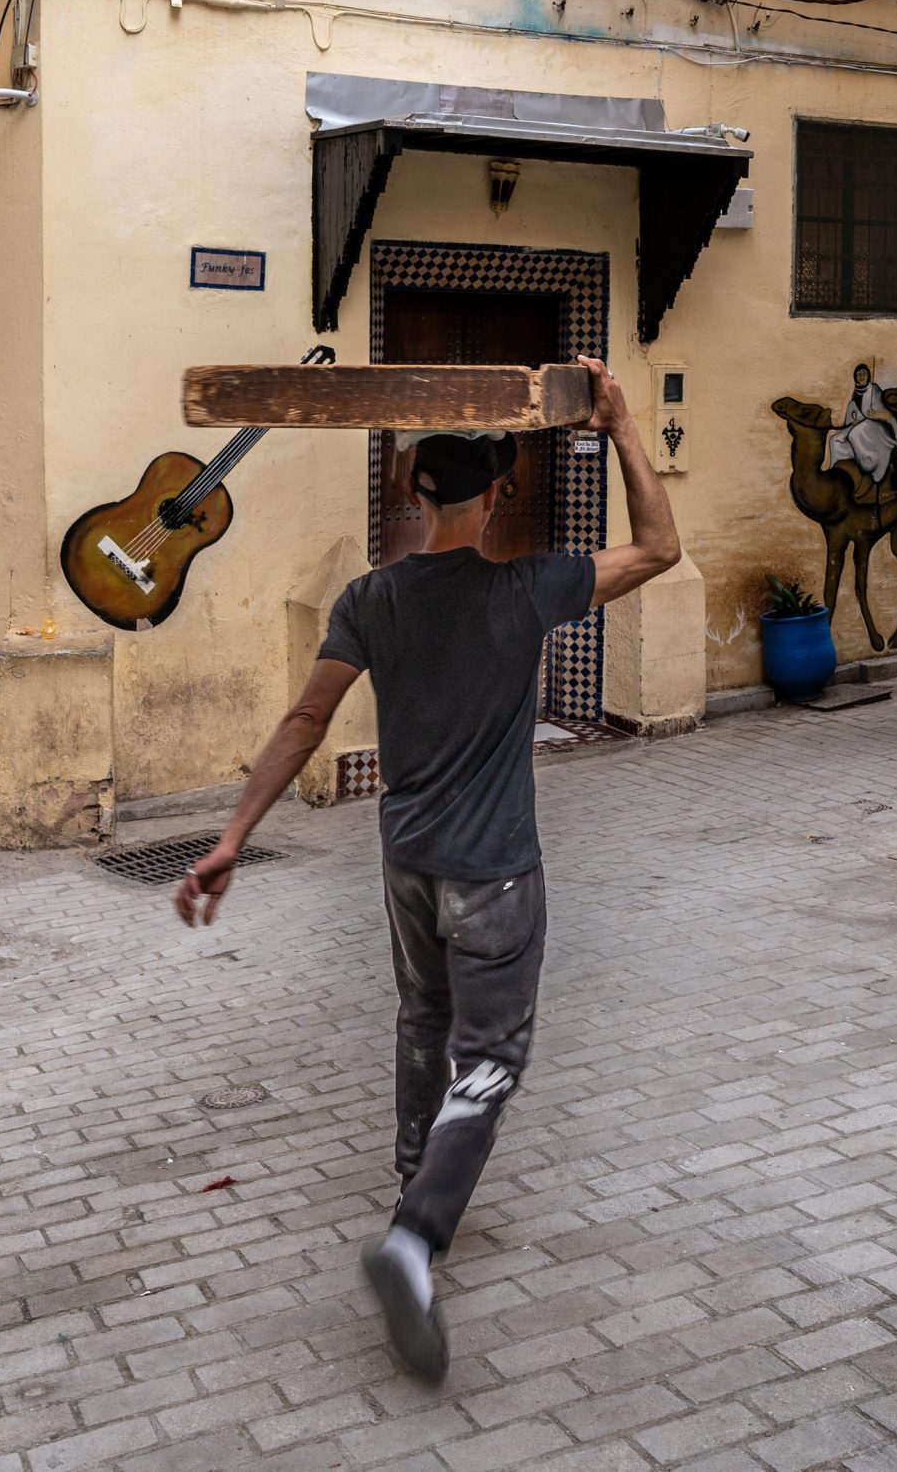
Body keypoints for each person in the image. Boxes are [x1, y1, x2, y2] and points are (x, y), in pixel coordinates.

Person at [170, 355, 680, 1381]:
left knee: (422, 1020)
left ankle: (413, 1178)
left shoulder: (370, 600)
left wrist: (231, 836)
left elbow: (306, 719)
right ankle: (413, 1240)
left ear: (410, 489)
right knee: (489, 1057)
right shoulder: (533, 586)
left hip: (405, 865)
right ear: (497, 497)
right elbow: (661, 548)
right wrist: (622, 424)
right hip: (493, 873)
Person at [826, 361, 897, 503]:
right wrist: (852, 423)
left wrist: (876, 414)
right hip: (860, 428)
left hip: (878, 427)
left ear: (868, 376)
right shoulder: (853, 399)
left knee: (855, 433)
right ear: (855, 377)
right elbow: (849, 421)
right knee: (835, 440)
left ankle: (869, 465)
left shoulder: (874, 390)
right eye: (859, 375)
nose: (862, 377)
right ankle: (839, 473)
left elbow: (889, 416)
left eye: (864, 374)